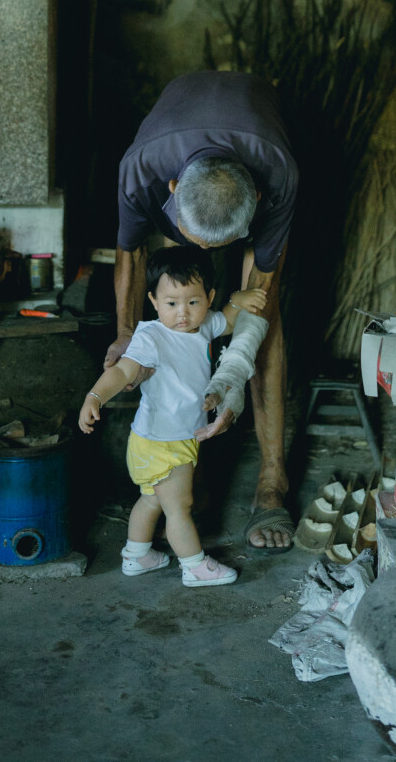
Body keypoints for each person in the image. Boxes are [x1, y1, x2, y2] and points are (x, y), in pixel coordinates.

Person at [107, 71, 298, 551]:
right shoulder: (142, 169)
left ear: (255, 202)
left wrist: (231, 381)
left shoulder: (277, 174)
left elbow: (258, 295)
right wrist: (127, 332)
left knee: (266, 325)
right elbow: (130, 253)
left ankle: (272, 479)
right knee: (179, 317)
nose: (209, 254)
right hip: (180, 155)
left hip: (253, 148)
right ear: (171, 189)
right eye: (197, 243)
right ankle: (186, 460)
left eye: (223, 247)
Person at [79, 247, 268, 586]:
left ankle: (136, 556)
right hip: (161, 443)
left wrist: (239, 299)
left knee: (152, 500)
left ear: (208, 297)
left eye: (192, 302)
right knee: (179, 506)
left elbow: (227, 318)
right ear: (153, 300)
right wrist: (95, 396)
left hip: (166, 439)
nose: (182, 313)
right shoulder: (151, 336)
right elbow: (123, 373)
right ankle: (194, 565)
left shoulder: (202, 326)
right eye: (171, 304)